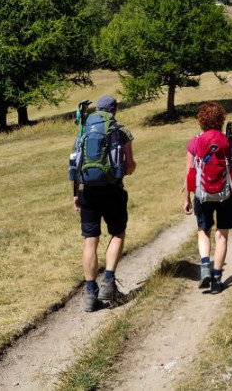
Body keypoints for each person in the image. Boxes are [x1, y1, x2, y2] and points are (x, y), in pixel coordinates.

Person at [72, 94, 136, 312]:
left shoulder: (84, 129)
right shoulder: (120, 131)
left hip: (86, 190)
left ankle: (90, 294)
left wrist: (75, 194)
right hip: (112, 190)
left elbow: (76, 163)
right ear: (114, 110)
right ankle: (108, 281)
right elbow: (129, 167)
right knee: (118, 233)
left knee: (91, 239)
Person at [183, 101, 232, 294]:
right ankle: (217, 280)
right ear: (221, 120)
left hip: (202, 194)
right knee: (222, 234)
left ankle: (204, 266)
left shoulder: (196, 141)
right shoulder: (230, 141)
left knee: (203, 230)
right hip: (227, 194)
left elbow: (189, 174)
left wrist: (187, 199)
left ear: (202, 120)